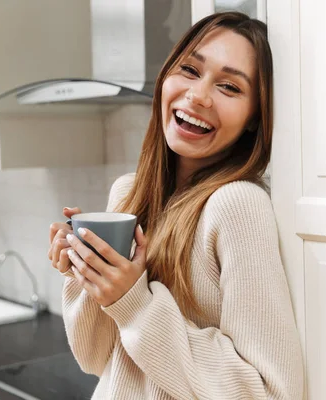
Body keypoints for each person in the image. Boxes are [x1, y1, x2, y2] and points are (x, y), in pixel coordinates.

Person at [48, 11, 304, 400]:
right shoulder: (128, 195)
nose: (199, 96)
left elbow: (267, 392)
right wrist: (85, 276)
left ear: (254, 117)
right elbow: (98, 360)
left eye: (230, 87)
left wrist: (133, 303)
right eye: (189, 70)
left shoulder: (237, 206)